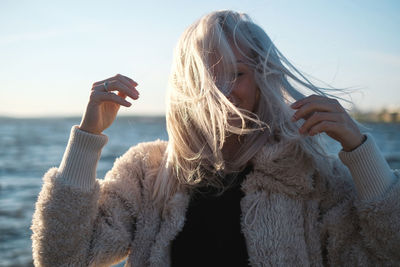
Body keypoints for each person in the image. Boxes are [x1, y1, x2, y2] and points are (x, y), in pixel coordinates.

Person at [31, 10, 399, 266]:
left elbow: (387, 254)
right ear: (187, 86)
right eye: (209, 77)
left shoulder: (308, 175)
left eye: (237, 73)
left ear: (260, 78)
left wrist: (359, 148)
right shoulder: (149, 174)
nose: (223, 91)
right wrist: (87, 137)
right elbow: (63, 258)